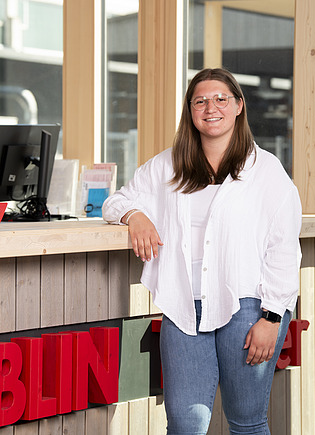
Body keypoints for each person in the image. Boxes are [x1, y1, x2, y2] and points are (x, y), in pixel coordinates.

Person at [102, 68, 302, 435]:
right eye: (200, 101)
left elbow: (284, 249)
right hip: (183, 307)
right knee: (184, 423)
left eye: (221, 99)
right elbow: (116, 201)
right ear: (190, 110)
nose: (211, 108)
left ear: (239, 106)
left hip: (248, 307)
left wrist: (272, 319)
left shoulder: (266, 171)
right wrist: (135, 215)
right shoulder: (167, 165)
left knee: (247, 422)